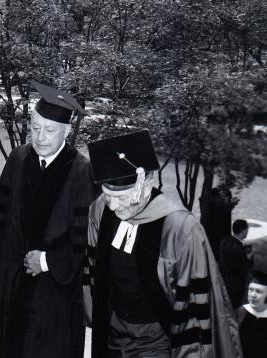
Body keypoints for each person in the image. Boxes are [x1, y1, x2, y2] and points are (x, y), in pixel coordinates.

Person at [84, 130, 242, 358]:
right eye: (107, 195)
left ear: (144, 185)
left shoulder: (181, 228)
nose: (112, 206)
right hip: (113, 332)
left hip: (157, 341)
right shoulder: (101, 209)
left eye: (121, 197)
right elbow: (93, 272)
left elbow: (195, 307)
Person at [0, 80, 95, 358]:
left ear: (66, 131)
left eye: (50, 130)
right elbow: (0, 218)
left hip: (55, 290)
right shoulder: (18, 158)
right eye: (35, 128)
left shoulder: (82, 172)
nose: (41, 137)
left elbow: (88, 240)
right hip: (13, 280)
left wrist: (47, 261)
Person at [219, 219, 253, 308]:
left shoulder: (224, 241)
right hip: (235, 285)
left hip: (222, 281)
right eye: (247, 230)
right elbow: (244, 270)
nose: (247, 232)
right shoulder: (239, 250)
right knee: (234, 306)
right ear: (243, 231)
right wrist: (248, 258)